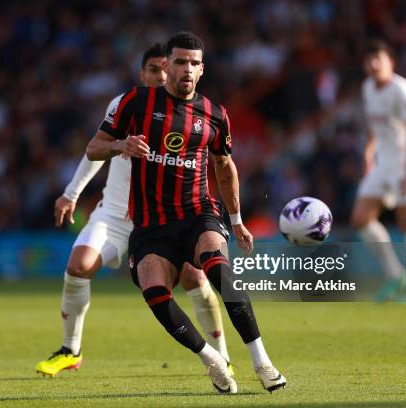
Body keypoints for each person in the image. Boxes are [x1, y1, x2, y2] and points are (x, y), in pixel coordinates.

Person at [86, 31, 286, 394]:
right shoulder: (136, 103)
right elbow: (93, 147)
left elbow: (225, 168)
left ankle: (263, 362)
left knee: (220, 273)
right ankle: (211, 359)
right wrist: (120, 144)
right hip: (151, 225)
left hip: (197, 213)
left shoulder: (214, 114)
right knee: (153, 289)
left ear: (202, 69)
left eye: (194, 63)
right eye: (180, 62)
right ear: (167, 66)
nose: (187, 70)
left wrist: (237, 221)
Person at [35, 43, 232, 377]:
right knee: (78, 265)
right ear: (143, 73)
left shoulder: (190, 112)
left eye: (164, 68)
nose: (161, 74)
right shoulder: (130, 104)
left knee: (195, 277)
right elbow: (93, 149)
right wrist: (72, 192)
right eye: (153, 70)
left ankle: (222, 355)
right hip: (115, 214)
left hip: (165, 217)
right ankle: (71, 350)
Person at [350, 40, 406, 303]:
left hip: (404, 162)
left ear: (391, 62)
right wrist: (368, 151)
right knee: (361, 218)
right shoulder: (368, 88)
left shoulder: (402, 89)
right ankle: (396, 275)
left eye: (379, 58)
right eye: (370, 59)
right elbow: (374, 125)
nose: (374, 64)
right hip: (382, 163)